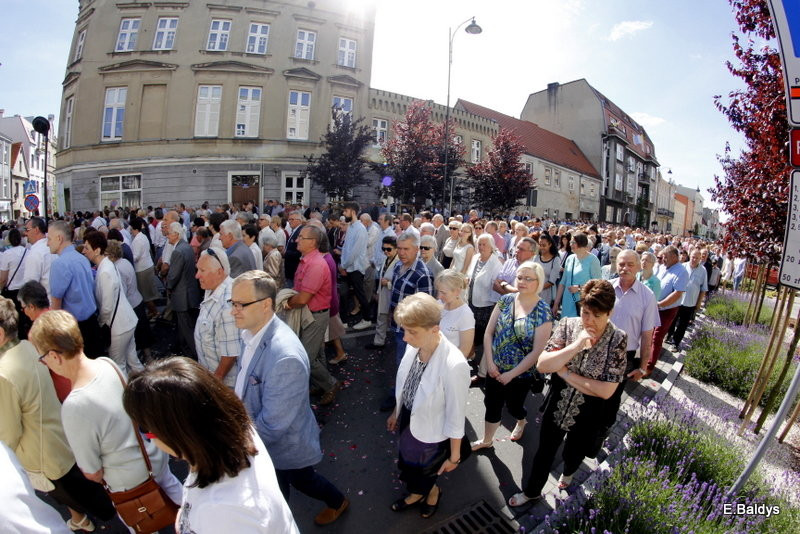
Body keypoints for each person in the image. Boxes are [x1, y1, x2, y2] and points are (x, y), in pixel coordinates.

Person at [30, 310, 183, 520]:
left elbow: (92, 471)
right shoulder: (107, 363)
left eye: (42, 358)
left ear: (54, 356)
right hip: (153, 455)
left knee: (142, 523)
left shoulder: (74, 405)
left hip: (128, 481)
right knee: (178, 496)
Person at [122, 358, 299, 533]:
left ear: (178, 433)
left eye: (145, 429)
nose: (148, 438)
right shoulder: (236, 430)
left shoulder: (223, 512)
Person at [231, 271, 349, 525]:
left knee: (285, 495)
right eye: (233, 303)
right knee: (301, 481)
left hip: (280, 446)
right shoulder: (249, 334)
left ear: (265, 305)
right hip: (263, 442)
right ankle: (336, 501)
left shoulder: (285, 357)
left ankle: (336, 502)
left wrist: (231, 446)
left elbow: (273, 425)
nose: (234, 311)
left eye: (241, 304)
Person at [0, 298, 115, 532]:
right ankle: (82, 519)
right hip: (59, 437)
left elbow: (8, 434)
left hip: (42, 456)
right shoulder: (27, 346)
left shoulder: (3, 374)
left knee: (89, 501)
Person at [509, 280, 627, 506]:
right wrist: (575, 346)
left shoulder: (618, 339)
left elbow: (606, 391)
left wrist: (565, 373)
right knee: (544, 451)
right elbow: (543, 364)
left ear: (610, 313)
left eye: (597, 315)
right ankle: (531, 492)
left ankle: (569, 472)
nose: (589, 320)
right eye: (585, 312)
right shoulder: (568, 325)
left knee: (574, 452)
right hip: (558, 403)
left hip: (590, 412)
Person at [386, 293, 470, 519]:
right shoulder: (416, 345)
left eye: (412, 332)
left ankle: (432, 492)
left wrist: (454, 457)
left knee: (425, 471)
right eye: (404, 330)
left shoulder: (454, 365)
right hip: (409, 419)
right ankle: (417, 492)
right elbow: (406, 383)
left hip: (431, 433)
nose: (405, 338)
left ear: (434, 329)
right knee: (408, 465)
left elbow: (456, 414)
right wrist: (397, 410)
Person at [472, 261, 552, 450]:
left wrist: (511, 374)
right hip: (495, 368)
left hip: (520, 375)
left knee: (513, 406)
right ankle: (487, 440)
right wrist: (490, 363)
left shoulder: (543, 312)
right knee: (491, 405)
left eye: (528, 278)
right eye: (519, 277)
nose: (522, 281)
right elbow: (489, 332)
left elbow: (537, 351)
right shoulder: (506, 300)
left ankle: (521, 420)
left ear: (538, 282)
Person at [285, 225, 340, 406]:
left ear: (313, 242)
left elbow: (302, 298)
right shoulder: (307, 260)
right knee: (317, 354)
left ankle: (330, 384)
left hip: (315, 315)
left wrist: (286, 303)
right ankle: (321, 384)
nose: (296, 240)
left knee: (307, 357)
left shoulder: (315, 264)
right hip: (310, 313)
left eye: (301, 237)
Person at [82, 232, 142, 375]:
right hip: (126, 321)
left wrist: (101, 322)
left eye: (86, 248)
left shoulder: (104, 271)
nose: (84, 251)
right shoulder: (107, 264)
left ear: (97, 250)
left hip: (118, 327)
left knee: (119, 366)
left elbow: (107, 307)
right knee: (134, 363)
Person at [47, 221, 103, 359]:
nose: (47, 243)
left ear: (59, 238)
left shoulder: (59, 264)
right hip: (92, 324)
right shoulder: (81, 258)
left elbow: (56, 305)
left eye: (49, 239)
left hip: (76, 329)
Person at [194, 247, 240, 387]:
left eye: (202, 271)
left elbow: (231, 353)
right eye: (198, 269)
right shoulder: (212, 287)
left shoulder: (227, 305)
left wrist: (215, 384)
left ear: (219, 272)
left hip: (223, 385)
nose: (197, 275)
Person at [647, 245, 688, 376]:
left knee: (656, 337)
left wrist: (660, 305)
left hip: (666, 309)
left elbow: (677, 293)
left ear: (675, 257)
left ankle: (649, 366)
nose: (663, 259)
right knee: (647, 334)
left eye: (665, 257)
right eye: (662, 256)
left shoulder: (682, 271)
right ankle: (644, 359)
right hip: (653, 307)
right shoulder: (662, 267)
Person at [165, 222, 201, 359]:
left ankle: (195, 355)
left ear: (176, 234)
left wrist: (168, 286)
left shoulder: (178, 251)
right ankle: (185, 350)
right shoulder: (186, 247)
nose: (167, 236)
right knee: (186, 325)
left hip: (182, 295)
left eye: (169, 233)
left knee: (186, 328)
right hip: (190, 293)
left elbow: (173, 276)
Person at [466, 234, 503, 358]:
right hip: (471, 300)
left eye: (484, 245)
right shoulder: (476, 257)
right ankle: (471, 353)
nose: (481, 247)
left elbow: (495, 284)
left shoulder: (495, 262)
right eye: (479, 244)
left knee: (481, 333)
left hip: (485, 304)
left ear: (491, 247)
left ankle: (478, 358)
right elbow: (470, 274)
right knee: (471, 330)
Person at [667, 249, 708, 352]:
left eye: (697, 258)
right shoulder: (682, 267)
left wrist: (698, 303)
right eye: (693, 257)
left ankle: (675, 343)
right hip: (677, 300)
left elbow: (703, 289)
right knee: (672, 320)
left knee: (683, 325)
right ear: (690, 255)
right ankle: (668, 336)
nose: (694, 259)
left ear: (700, 259)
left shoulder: (703, 271)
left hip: (690, 303)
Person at [553, 232, 601, 319]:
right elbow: (562, 282)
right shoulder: (570, 258)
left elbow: (598, 285)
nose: (570, 244)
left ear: (581, 243)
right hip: (567, 302)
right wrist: (556, 303)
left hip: (583, 304)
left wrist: (580, 288)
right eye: (571, 242)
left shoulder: (593, 260)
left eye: (573, 242)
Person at [339, 202, 371, 329]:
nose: (343, 213)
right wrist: (343, 264)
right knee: (343, 294)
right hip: (347, 267)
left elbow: (354, 252)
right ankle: (344, 321)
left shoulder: (360, 229)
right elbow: (346, 248)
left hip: (356, 268)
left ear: (352, 212)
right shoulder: (351, 227)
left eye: (345, 211)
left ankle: (367, 319)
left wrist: (343, 265)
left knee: (360, 295)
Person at [366, 236, 399, 351]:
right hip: (384, 295)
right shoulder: (387, 259)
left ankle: (397, 344)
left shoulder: (399, 262)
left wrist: (388, 284)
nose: (385, 251)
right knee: (381, 318)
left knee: (396, 321)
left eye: (388, 249)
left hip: (394, 297)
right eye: (383, 249)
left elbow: (400, 283)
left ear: (396, 249)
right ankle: (379, 342)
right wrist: (378, 292)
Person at [435, 269, 474, 358]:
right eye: (438, 291)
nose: (439, 296)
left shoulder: (465, 315)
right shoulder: (439, 304)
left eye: (443, 293)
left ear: (457, 291)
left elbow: (464, 351)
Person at [0, 228, 31, 336]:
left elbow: (3, 278)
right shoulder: (28, 252)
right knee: (24, 318)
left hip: (11, 291)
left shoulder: (7, 254)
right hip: (25, 290)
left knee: (12, 319)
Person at [129, 218, 160, 320]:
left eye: (131, 229)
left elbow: (136, 257)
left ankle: (155, 312)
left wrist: (128, 258)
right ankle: (152, 311)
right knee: (147, 293)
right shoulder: (142, 236)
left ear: (134, 229)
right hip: (146, 267)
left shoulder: (137, 240)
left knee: (146, 295)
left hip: (142, 269)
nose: (130, 231)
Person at [22, 217, 53, 296]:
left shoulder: (35, 253)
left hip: (44, 303)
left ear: (36, 230)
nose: (25, 233)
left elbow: (30, 285)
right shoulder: (53, 246)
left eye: (27, 230)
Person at [534, 233, 561, 307]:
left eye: (544, 245)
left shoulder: (556, 260)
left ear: (550, 244)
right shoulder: (536, 257)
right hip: (533, 293)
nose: (541, 247)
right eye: (540, 245)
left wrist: (536, 288)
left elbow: (551, 281)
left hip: (546, 296)